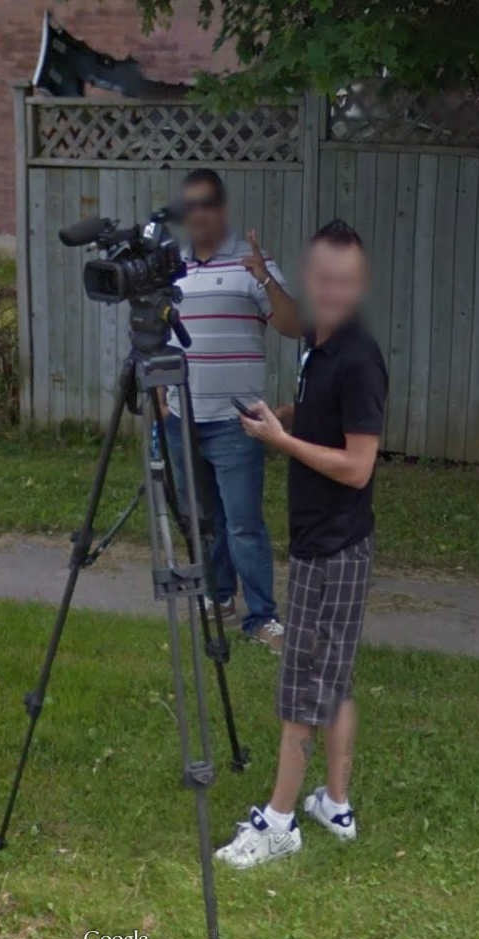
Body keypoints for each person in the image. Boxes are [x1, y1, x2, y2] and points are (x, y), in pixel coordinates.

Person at [214, 220, 388, 869]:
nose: (332, 290)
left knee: (301, 689)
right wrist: (281, 417)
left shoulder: (359, 358)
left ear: (359, 284)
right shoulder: (322, 340)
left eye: (345, 281)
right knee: (334, 681)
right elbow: (310, 385)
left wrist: (281, 444)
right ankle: (333, 805)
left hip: (333, 549)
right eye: (322, 278)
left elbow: (358, 465)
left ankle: (279, 821)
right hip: (332, 542)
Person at [163, 168, 302, 649]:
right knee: (205, 519)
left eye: (207, 203)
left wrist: (265, 275)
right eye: (190, 206)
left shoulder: (250, 265)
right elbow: (161, 340)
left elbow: (292, 325)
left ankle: (262, 616)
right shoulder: (172, 268)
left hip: (236, 421)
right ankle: (220, 596)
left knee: (243, 523)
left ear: (221, 210)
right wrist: (163, 405)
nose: (198, 213)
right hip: (183, 420)